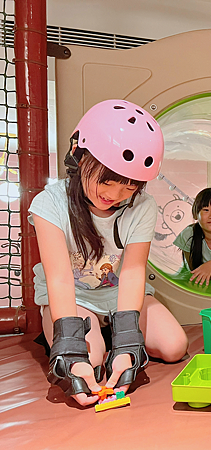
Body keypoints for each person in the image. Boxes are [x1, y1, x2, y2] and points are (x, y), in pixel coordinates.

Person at [29, 99, 189, 407]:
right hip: (74, 296)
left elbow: (132, 271)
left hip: (118, 295)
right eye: (107, 180)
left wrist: (128, 344)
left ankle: (113, 333)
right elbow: (60, 279)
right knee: (90, 357)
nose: (114, 195)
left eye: (129, 187)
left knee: (174, 346)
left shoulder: (142, 207)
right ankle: (91, 337)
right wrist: (70, 350)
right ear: (79, 155)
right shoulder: (50, 204)